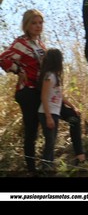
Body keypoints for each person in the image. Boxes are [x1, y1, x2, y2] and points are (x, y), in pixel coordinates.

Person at [0, 9, 46, 172]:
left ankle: (45, 163)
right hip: (27, 91)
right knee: (31, 130)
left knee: (45, 125)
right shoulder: (21, 42)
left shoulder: (40, 43)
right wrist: (18, 70)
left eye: (40, 23)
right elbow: (3, 58)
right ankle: (32, 169)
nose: (38, 26)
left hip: (40, 91)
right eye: (34, 23)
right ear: (26, 25)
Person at [37, 48, 85, 170]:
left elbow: (60, 95)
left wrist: (73, 107)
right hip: (48, 113)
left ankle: (50, 165)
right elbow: (44, 96)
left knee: (53, 140)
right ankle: (46, 168)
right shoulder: (49, 76)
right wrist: (48, 117)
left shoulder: (55, 76)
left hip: (55, 112)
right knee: (50, 142)